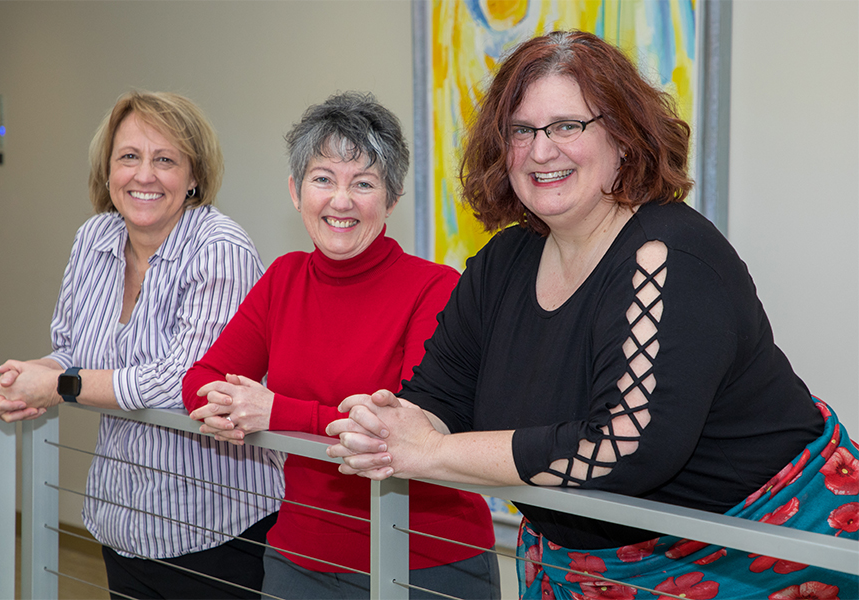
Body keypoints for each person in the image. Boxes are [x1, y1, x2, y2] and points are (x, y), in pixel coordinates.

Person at [326, 31, 859, 599]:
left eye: (567, 126)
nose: (541, 150)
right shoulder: (501, 263)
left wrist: (430, 452)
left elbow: (623, 450)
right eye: (521, 130)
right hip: (577, 566)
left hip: (761, 555)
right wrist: (387, 428)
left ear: (624, 139)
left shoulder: (670, 255)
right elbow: (440, 398)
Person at [183, 91, 500, 599]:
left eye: (364, 183)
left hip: (425, 560)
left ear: (392, 198)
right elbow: (201, 381)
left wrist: (274, 412)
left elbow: (399, 430)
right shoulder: (282, 278)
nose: (341, 200)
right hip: (298, 557)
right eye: (323, 179)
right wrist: (225, 406)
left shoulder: (435, 289)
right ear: (296, 190)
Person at [0, 91, 285, 599]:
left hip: (217, 527)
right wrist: (30, 378)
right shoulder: (94, 238)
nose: (144, 175)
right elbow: (71, 347)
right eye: (129, 157)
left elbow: (185, 383)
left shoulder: (220, 248)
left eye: (165, 160)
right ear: (107, 171)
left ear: (194, 177)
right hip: (125, 517)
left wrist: (60, 385)